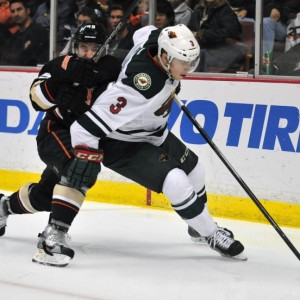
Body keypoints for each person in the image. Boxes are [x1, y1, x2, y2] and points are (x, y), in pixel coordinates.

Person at [62, 24, 247, 261]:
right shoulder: (139, 89)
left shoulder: (154, 40)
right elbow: (83, 128)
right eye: (183, 62)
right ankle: (212, 233)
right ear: (165, 57)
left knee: (195, 169)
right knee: (176, 180)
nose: (189, 68)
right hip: (124, 144)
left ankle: (197, 227)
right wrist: (85, 158)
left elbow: (147, 30)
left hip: (153, 131)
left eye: (192, 61)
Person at [0, 23, 121, 267]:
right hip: (55, 132)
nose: (87, 53)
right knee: (82, 167)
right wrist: (57, 89)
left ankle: (3, 207)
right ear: (75, 46)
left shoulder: (115, 69)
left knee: (46, 197)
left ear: (105, 48)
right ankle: (53, 237)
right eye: (83, 47)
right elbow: (36, 99)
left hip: (86, 137)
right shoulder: (61, 64)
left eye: (94, 48)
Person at [188, 0, 245, 72]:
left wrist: (202, 34)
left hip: (222, 51)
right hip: (201, 48)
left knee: (200, 56)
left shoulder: (225, 10)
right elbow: (190, 28)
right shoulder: (198, 9)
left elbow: (231, 32)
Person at [0, 0, 49, 66]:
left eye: (19, 9)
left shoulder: (38, 31)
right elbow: (4, 57)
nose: (16, 14)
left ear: (28, 11)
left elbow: (26, 58)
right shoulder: (13, 38)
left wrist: (15, 55)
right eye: (13, 11)